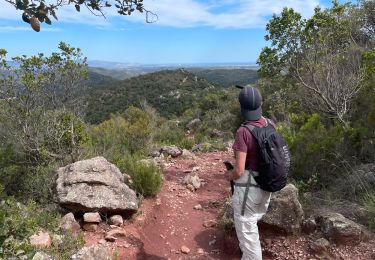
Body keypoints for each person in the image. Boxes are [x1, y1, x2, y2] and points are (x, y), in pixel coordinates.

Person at [225, 86, 272, 260]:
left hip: (249, 191)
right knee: (253, 224)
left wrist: (228, 175)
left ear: (241, 107)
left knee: (247, 231)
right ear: (260, 104)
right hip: (267, 185)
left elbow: (239, 170)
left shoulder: (243, 132)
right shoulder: (269, 124)